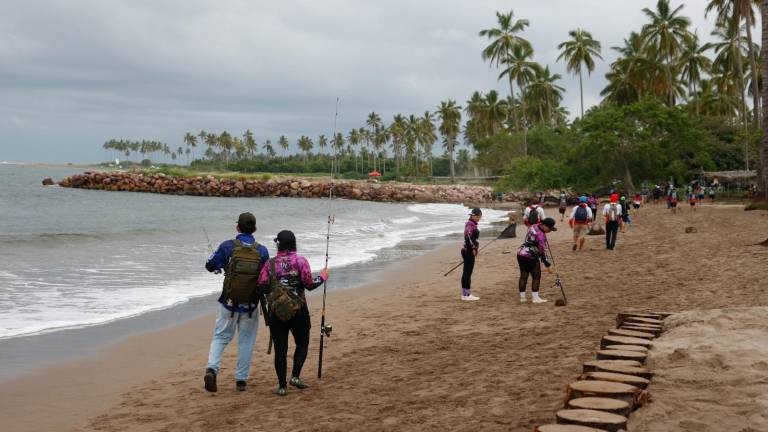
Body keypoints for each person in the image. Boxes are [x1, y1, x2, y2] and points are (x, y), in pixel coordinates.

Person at [204, 212, 270, 393]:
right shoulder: (262, 251)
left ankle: (212, 369)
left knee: (220, 337)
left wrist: (220, 266)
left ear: (237, 227)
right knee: (246, 341)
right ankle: (241, 380)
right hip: (250, 305)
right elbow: (265, 279)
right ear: (254, 229)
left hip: (229, 302)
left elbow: (210, 266)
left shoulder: (228, 246)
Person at [258, 230, 328, 396]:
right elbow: (309, 284)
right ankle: (295, 377)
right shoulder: (301, 261)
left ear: (278, 244)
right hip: (299, 311)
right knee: (302, 343)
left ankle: (282, 387)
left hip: (276, 312)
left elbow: (261, 286)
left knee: (280, 350)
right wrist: (324, 276)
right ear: (294, 243)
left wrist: (276, 294)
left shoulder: (270, 264)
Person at [516, 218, 557, 304]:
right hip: (530, 256)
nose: (549, 231)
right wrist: (548, 265)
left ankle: (522, 298)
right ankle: (535, 298)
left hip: (520, 253)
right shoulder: (541, 236)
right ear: (544, 225)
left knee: (523, 275)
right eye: (549, 229)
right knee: (536, 276)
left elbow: (529, 238)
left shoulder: (533, 226)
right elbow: (542, 251)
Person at [460, 208, 482, 301]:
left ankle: (465, 294)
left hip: (468, 251)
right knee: (467, 273)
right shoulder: (470, 224)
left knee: (467, 273)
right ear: (472, 215)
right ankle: (466, 295)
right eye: (476, 216)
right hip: (468, 251)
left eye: (479, 217)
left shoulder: (472, 224)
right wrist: (473, 248)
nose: (478, 218)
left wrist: (475, 248)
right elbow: (468, 236)